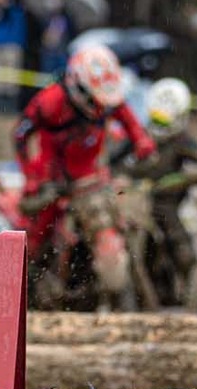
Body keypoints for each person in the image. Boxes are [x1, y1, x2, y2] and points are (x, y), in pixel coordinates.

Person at [13, 43, 154, 266]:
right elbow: (20, 136)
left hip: (93, 176)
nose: (100, 107)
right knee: (33, 238)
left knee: (127, 213)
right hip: (52, 177)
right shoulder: (50, 102)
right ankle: (26, 281)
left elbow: (126, 117)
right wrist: (31, 176)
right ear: (77, 85)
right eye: (94, 100)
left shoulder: (107, 97)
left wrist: (141, 141)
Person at [117, 78, 197, 303]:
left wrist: (184, 178)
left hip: (169, 204)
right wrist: (124, 179)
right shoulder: (139, 136)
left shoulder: (183, 140)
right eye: (157, 118)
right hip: (135, 203)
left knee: (182, 248)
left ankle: (189, 295)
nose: (160, 126)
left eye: (166, 120)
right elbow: (113, 162)